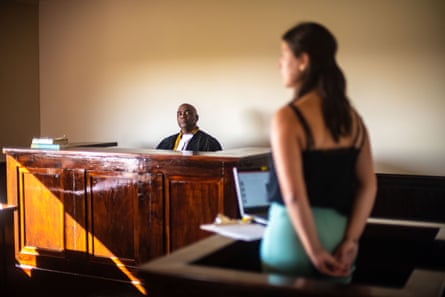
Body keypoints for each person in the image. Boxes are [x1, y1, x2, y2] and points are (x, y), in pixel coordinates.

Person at [260, 22, 377, 283]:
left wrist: (314, 250)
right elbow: (368, 184)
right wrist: (350, 240)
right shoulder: (353, 120)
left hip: (292, 237)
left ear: (303, 60)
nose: (279, 64)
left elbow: (293, 195)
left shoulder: (288, 117)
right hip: (338, 239)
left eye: (284, 55)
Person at [156, 103, 223, 152]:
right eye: (179, 114)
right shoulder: (167, 142)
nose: (182, 116)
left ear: (196, 118)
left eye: (187, 113)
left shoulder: (209, 142)